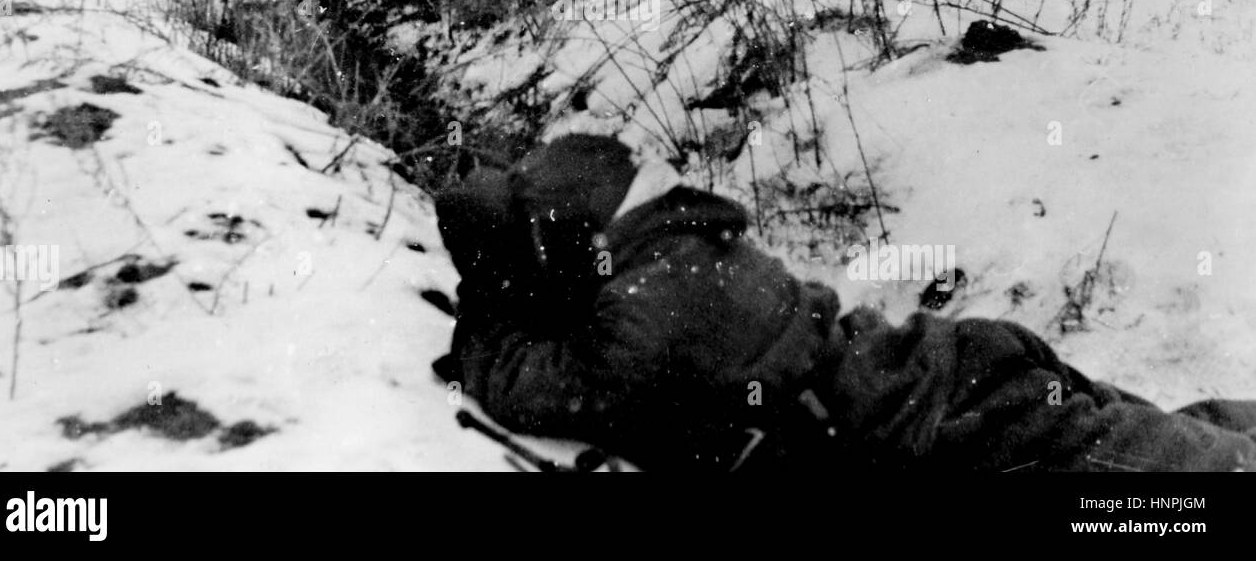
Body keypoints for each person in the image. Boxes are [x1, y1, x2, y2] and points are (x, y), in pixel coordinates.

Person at [435, 134, 1256, 472]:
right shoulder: (670, 246)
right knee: (1181, 447)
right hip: (955, 378)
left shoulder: (658, 292)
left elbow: (542, 385)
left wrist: (486, 311)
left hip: (958, 423)